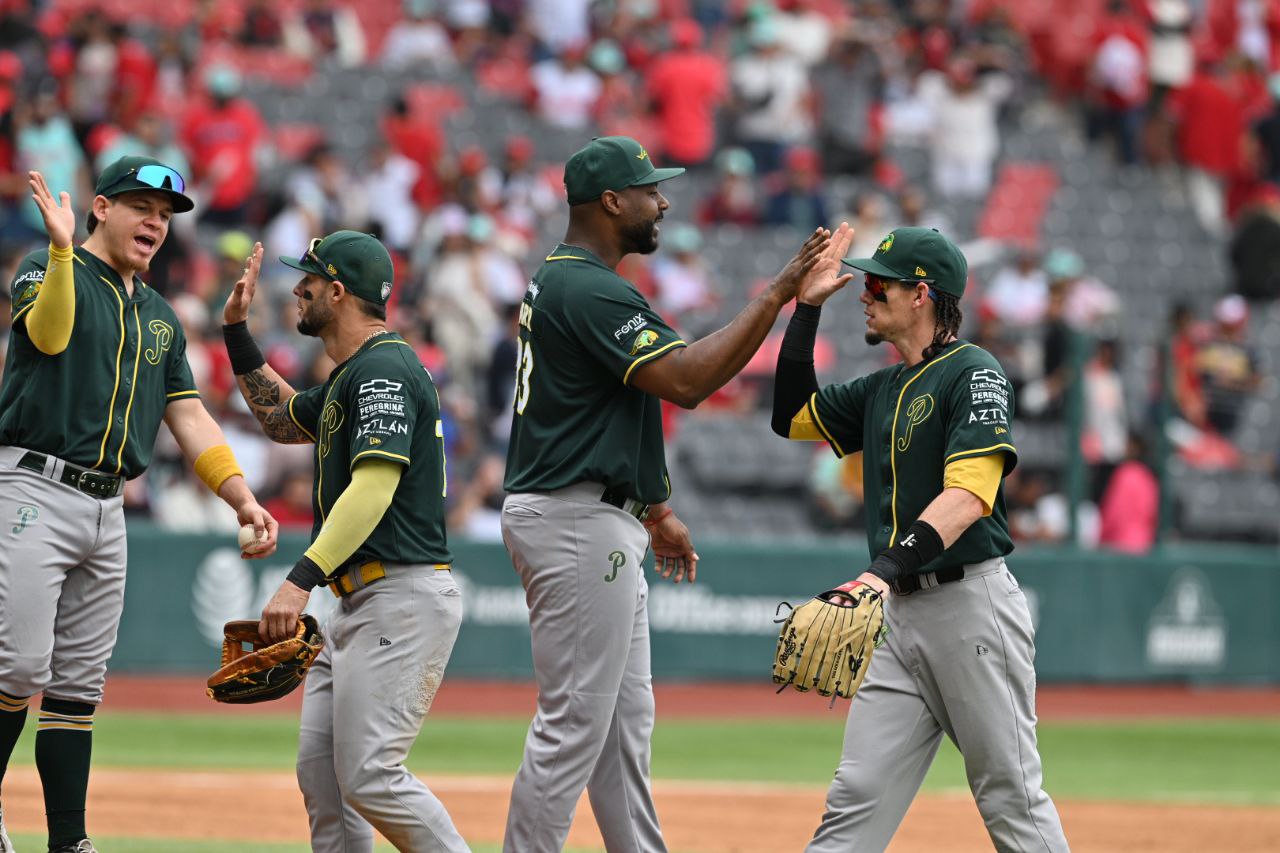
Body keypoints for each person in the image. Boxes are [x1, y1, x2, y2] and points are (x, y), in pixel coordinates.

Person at [501, 135, 836, 852]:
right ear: (613, 202)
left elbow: (628, 402)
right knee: (574, 726)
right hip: (574, 517)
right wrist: (776, 294)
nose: (664, 201)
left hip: (592, 511)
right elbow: (685, 381)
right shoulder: (585, 285)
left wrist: (655, 507)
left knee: (622, 729)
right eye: (651, 190)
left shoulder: (568, 279)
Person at [0, 156, 279, 853]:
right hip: (34, 483)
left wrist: (240, 494)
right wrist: (63, 248)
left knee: (76, 687)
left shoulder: (158, 315)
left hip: (108, 506)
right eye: (140, 205)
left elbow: (187, 417)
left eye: (165, 213)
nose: (155, 221)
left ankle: (68, 840)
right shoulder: (46, 266)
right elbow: (49, 335)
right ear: (100, 207)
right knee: (16, 667)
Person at [770, 225, 1069, 852]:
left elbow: (966, 498)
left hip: (970, 609)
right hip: (900, 615)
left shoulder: (975, 372)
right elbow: (792, 417)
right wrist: (807, 308)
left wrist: (879, 571)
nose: (866, 291)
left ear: (922, 295)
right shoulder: (881, 387)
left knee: (1009, 795)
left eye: (880, 282)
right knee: (855, 799)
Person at [220, 230, 466, 851]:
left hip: (400, 595)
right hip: (360, 600)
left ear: (337, 290)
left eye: (307, 279)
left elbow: (373, 489)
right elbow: (280, 420)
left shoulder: (383, 368)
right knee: (325, 777)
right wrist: (236, 332)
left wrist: (298, 580)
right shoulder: (351, 376)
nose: (296, 288)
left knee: (371, 778)